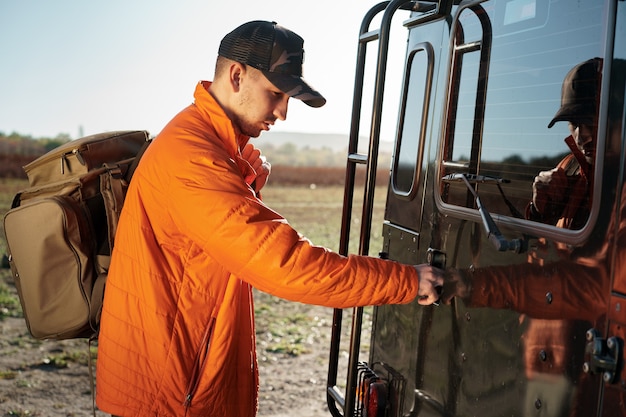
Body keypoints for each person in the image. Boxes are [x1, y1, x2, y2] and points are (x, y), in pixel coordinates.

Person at [95, 20, 443, 417]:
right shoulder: (193, 159)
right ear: (237, 75)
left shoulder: (214, 147)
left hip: (182, 382)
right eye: (276, 93)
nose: (283, 112)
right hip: (172, 396)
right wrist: (406, 280)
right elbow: (286, 265)